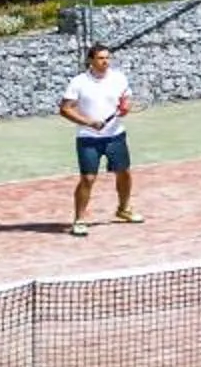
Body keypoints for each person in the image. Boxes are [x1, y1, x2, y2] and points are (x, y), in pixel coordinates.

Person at [59, 44, 140, 237]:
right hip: (88, 139)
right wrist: (89, 123)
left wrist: (125, 107)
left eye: (107, 58)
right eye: (101, 58)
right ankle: (79, 220)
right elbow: (65, 109)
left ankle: (123, 209)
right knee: (88, 178)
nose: (105, 62)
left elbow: (125, 99)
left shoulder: (118, 78)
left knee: (124, 173)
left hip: (116, 135)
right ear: (91, 61)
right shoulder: (78, 82)